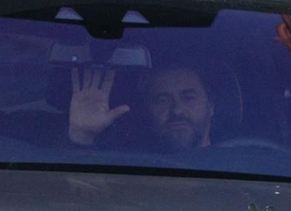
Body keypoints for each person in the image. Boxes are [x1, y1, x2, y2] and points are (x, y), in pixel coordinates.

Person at [67, 62, 219, 150]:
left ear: (211, 105)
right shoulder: (124, 165)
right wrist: (83, 135)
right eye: (162, 100)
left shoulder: (238, 160)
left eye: (188, 97)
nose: (177, 110)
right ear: (147, 110)